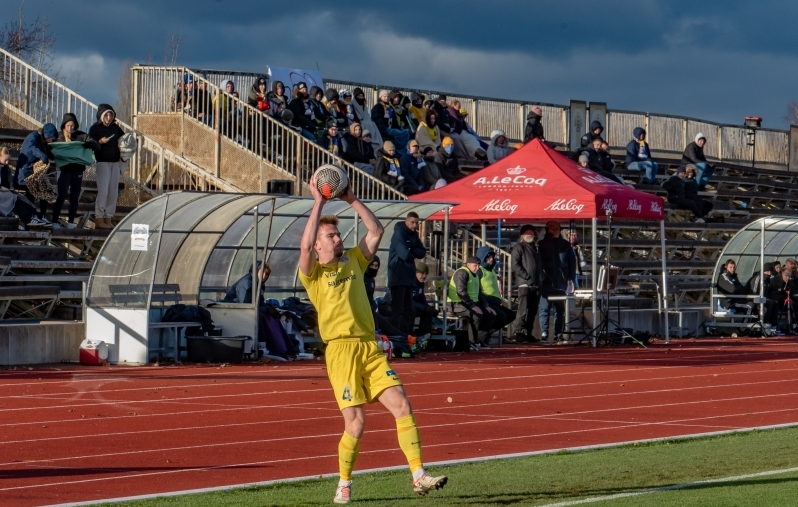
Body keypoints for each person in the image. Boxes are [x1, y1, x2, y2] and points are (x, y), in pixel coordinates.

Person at [298, 177, 446, 503]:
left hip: (368, 346)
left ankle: (419, 474)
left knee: (402, 405)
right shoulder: (313, 274)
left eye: (337, 234)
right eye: (330, 236)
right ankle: (344, 482)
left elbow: (376, 231)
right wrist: (318, 202)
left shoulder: (353, 259)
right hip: (340, 352)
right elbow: (305, 247)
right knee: (356, 424)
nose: (337, 238)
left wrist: (350, 198)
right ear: (321, 246)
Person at [53, 113, 100, 229]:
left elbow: (96, 145)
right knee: (61, 195)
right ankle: (54, 221)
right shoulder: (59, 136)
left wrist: (87, 144)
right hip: (64, 170)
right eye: (68, 125)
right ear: (64, 125)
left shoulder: (81, 136)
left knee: (75, 196)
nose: (70, 128)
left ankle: (70, 222)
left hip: (77, 170)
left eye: (72, 126)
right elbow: (50, 146)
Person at [88, 104, 126, 230]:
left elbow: (124, 139)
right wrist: (99, 142)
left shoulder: (116, 128)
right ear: (101, 116)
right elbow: (89, 143)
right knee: (103, 191)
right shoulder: (95, 128)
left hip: (115, 162)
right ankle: (99, 218)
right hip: (102, 162)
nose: (109, 117)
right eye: (106, 115)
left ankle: (108, 217)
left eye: (111, 115)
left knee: (113, 192)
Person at [388, 212, 426, 334]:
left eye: (417, 223)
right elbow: (404, 255)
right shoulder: (399, 232)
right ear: (406, 221)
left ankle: (405, 338)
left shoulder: (413, 235)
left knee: (409, 311)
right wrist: (412, 251)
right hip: (398, 275)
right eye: (412, 222)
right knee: (398, 310)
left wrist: (411, 249)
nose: (415, 225)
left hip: (409, 277)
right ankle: (395, 338)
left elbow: (422, 252)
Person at [538, 221, 575, 344]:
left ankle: (558, 333)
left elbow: (571, 263)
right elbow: (538, 263)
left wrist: (571, 278)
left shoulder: (565, 244)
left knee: (560, 310)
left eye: (558, 228)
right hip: (546, 282)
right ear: (547, 229)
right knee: (544, 309)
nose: (556, 230)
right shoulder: (541, 244)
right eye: (553, 228)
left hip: (561, 283)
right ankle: (544, 333)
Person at [448, 256, 497, 348]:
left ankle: (480, 339)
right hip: (457, 303)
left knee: (491, 314)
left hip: (469, 303)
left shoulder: (476, 275)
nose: (477, 268)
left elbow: (479, 293)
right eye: (475, 265)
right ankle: (471, 341)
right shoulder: (462, 273)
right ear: (468, 265)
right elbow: (461, 292)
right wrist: (472, 306)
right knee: (476, 315)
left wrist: (486, 306)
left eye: (478, 265)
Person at [16, 122, 57, 226]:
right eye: (51, 138)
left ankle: (42, 216)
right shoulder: (33, 136)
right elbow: (32, 148)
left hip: (33, 172)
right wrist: (42, 156)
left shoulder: (43, 141)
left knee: (44, 189)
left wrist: (49, 156)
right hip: (25, 172)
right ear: (46, 134)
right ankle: (29, 218)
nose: (51, 141)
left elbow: (48, 152)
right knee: (31, 194)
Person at [510, 224, 542, 342]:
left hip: (536, 284)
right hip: (525, 284)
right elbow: (515, 265)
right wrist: (526, 276)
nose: (530, 234)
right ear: (522, 235)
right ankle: (519, 333)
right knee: (523, 310)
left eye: (531, 232)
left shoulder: (536, 248)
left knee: (532, 311)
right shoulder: (518, 247)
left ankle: (528, 332)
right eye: (527, 232)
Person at [476, 246, 516, 335]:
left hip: (496, 302)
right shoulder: (479, 270)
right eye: (489, 257)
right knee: (501, 316)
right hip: (486, 302)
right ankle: (482, 335)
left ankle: (487, 333)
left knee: (511, 315)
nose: (491, 259)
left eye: (492, 257)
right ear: (483, 258)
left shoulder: (492, 271)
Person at [371, 89, 410, 156]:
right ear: (380, 97)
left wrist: (398, 128)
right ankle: (400, 152)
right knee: (397, 133)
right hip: (383, 129)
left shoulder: (390, 108)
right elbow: (378, 122)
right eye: (384, 96)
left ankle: (403, 151)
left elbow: (394, 121)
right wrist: (384, 133)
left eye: (388, 96)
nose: (386, 98)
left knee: (406, 132)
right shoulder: (378, 107)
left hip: (391, 128)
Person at [411, 262, 438, 342]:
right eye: (422, 273)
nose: (424, 276)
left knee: (427, 312)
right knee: (412, 310)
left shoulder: (421, 284)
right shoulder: (410, 282)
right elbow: (409, 301)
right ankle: (409, 336)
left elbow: (421, 299)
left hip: (415, 306)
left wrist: (428, 308)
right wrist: (425, 308)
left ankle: (423, 336)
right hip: (407, 307)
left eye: (426, 274)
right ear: (416, 272)